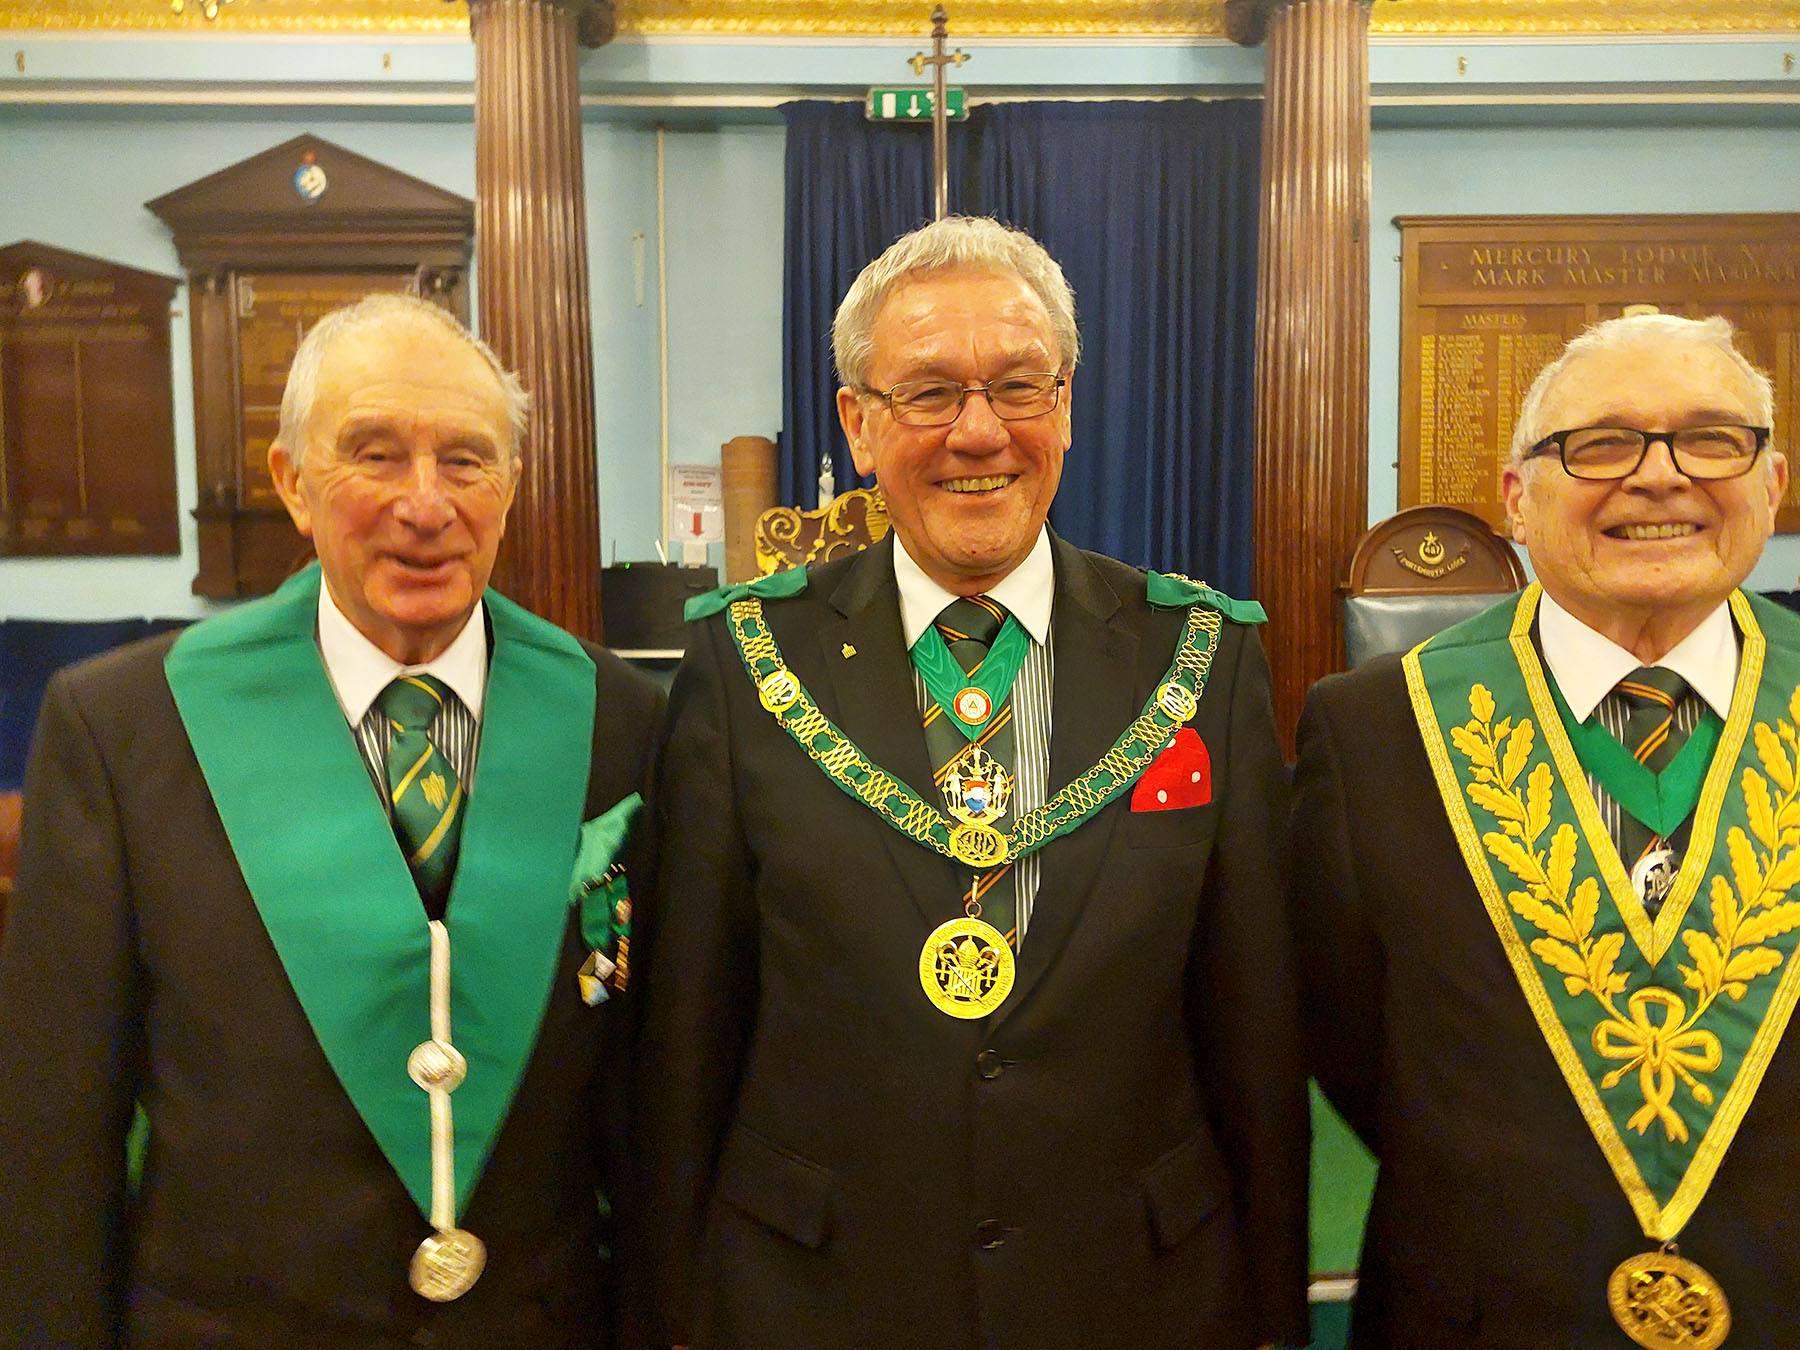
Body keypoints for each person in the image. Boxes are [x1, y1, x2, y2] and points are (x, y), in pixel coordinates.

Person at [636, 216, 1309, 1350]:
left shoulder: (1198, 656)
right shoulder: (747, 663)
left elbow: (1255, 1021)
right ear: (857, 423)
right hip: (818, 1292)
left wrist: (1276, 1311)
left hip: (1138, 1289)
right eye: (929, 393)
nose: (980, 432)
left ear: (1067, 406)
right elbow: (689, 1029)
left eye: (1018, 386)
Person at [0, 293, 661, 1348]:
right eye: (375, 455)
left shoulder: (624, 721)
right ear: (291, 483)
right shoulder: (125, 728)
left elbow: (647, 1101)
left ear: (513, 486)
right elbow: (53, 1123)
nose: (425, 503)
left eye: (467, 459)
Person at [1293, 312, 1800, 1346]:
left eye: (1712, 438)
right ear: (1518, 500)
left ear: (1773, 485)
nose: (1659, 477)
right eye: (1600, 443)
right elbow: (1347, 1040)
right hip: (1484, 1305)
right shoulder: (1374, 729)